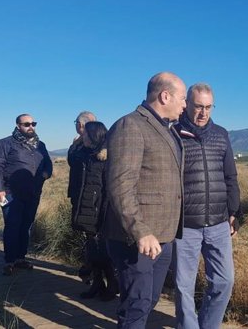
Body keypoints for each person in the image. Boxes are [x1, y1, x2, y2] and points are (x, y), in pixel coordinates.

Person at [101, 71, 186, 329]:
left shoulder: (166, 129)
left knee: (147, 300)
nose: (185, 105)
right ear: (165, 96)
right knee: (137, 303)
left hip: (162, 236)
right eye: (182, 99)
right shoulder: (131, 126)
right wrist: (140, 231)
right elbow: (120, 184)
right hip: (137, 238)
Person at [174, 83, 241, 329]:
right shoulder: (174, 133)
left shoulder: (221, 134)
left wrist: (235, 212)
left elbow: (230, 176)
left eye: (208, 107)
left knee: (224, 281)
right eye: (198, 107)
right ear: (187, 105)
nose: (203, 113)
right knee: (183, 287)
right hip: (186, 225)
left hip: (218, 223)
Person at [0, 114, 53, 276]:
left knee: (26, 226)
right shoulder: (6, 143)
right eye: (26, 124)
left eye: (33, 123)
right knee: (12, 225)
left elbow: (48, 165)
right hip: (10, 193)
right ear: (18, 126)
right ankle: (9, 261)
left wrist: (44, 176)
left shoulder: (41, 145)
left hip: (33, 193)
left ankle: (20, 258)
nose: (31, 126)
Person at [69, 121, 119, 301]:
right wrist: (76, 144)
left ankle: (112, 285)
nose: (83, 137)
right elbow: (71, 159)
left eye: (86, 135)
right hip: (86, 208)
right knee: (92, 249)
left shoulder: (107, 158)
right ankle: (97, 283)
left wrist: (105, 212)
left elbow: (110, 189)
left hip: (101, 211)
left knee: (103, 251)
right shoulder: (85, 154)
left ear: (94, 136)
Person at [67, 110, 97, 281]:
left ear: (80, 124)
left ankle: (93, 269)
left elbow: (74, 163)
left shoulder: (91, 145)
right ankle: (89, 266)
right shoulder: (81, 143)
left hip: (88, 194)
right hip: (79, 192)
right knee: (86, 233)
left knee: (91, 233)